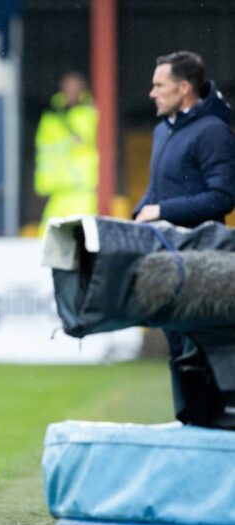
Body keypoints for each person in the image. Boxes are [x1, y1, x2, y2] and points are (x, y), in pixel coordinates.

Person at [133, 51, 235, 424]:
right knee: (178, 348)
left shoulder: (212, 132)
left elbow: (223, 197)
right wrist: (138, 217)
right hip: (170, 256)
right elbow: (156, 190)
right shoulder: (164, 130)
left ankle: (213, 427)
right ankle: (190, 424)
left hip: (204, 261)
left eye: (160, 85)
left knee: (201, 349)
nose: (152, 93)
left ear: (185, 88)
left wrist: (161, 211)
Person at [33, 71, 98, 234]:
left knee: (83, 238)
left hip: (84, 190)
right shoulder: (51, 116)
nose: (71, 92)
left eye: (75, 87)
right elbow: (44, 150)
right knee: (47, 237)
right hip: (57, 190)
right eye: (68, 88)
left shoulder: (91, 113)